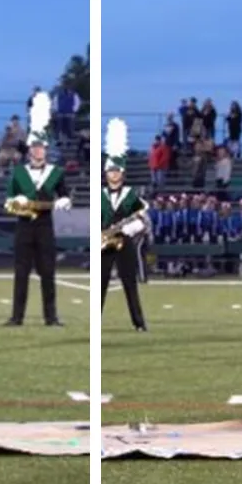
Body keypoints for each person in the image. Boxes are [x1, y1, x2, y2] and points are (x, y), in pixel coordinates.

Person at [4, 91, 71, 327]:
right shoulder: (19, 173)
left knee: (48, 272)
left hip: (45, 226)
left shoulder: (56, 172)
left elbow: (64, 196)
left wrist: (65, 202)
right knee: (20, 274)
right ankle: (16, 316)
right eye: (34, 147)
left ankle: (51, 317)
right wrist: (18, 205)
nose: (38, 151)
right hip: (23, 226)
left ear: (46, 149)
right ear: (29, 149)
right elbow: (8, 202)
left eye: (41, 147)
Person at [101, 118, 148, 331]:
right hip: (104, 243)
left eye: (117, 171)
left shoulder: (131, 194)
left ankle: (138, 323)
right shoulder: (99, 195)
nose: (114, 174)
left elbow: (142, 220)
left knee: (130, 283)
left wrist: (130, 228)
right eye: (111, 171)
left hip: (124, 242)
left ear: (122, 173)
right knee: (100, 284)